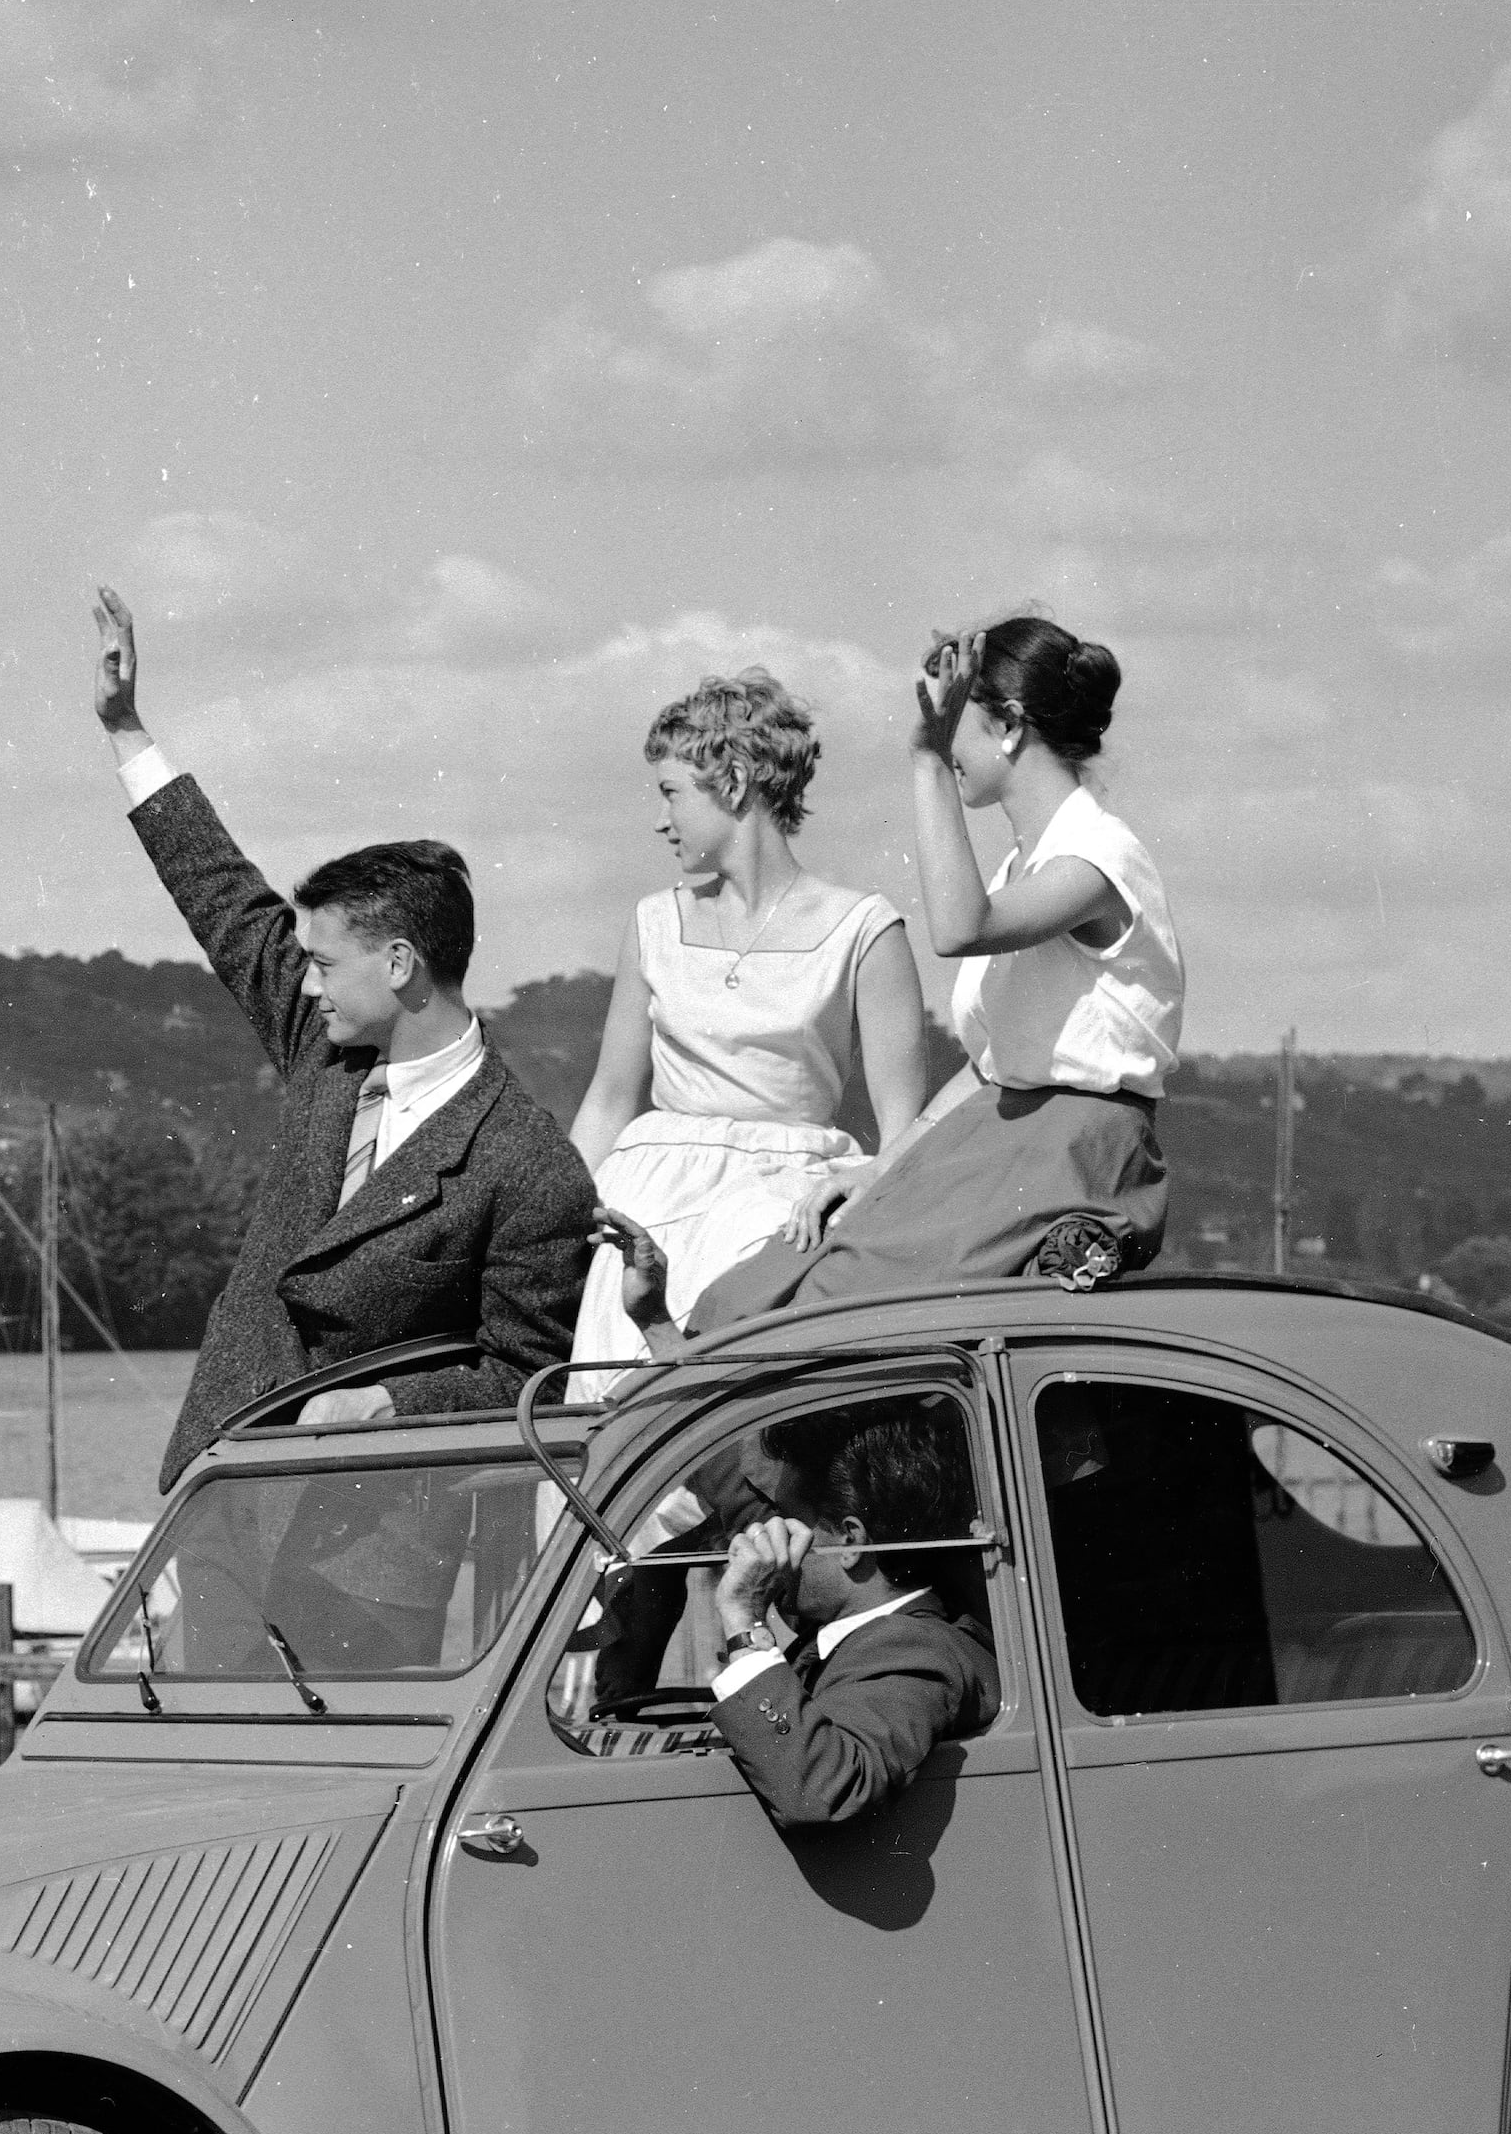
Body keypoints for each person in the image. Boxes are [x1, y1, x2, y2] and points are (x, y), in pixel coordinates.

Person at [91, 587, 593, 1490]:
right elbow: (220, 895)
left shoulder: (531, 1165)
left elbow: (530, 1379)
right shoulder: (326, 1048)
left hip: (376, 1542)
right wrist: (128, 730)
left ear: (400, 964)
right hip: (221, 1488)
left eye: (324, 962)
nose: (304, 978)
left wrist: (390, 1404)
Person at [692, 614, 1179, 1322]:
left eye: (947, 717)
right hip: (1000, 1131)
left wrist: (925, 763)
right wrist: (881, 1168)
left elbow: (960, 929)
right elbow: (993, 1066)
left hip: (1071, 1154)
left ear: (1007, 726)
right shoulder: (1030, 864)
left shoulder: (1100, 859)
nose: (940, 738)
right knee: (767, 1280)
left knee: (830, 1308)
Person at [563, 671, 929, 1367]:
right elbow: (609, 1098)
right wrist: (551, 1230)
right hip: (650, 1201)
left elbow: (903, 1129)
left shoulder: (864, 930)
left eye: (672, 792)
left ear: (731, 781)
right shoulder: (653, 921)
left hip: (778, 1212)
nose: (661, 818)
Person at [699, 1397, 997, 1828]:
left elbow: (827, 1789)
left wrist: (744, 1616)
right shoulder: (858, 1640)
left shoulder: (912, 1646)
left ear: (850, 1541)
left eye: (786, 1516)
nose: (768, 1533)